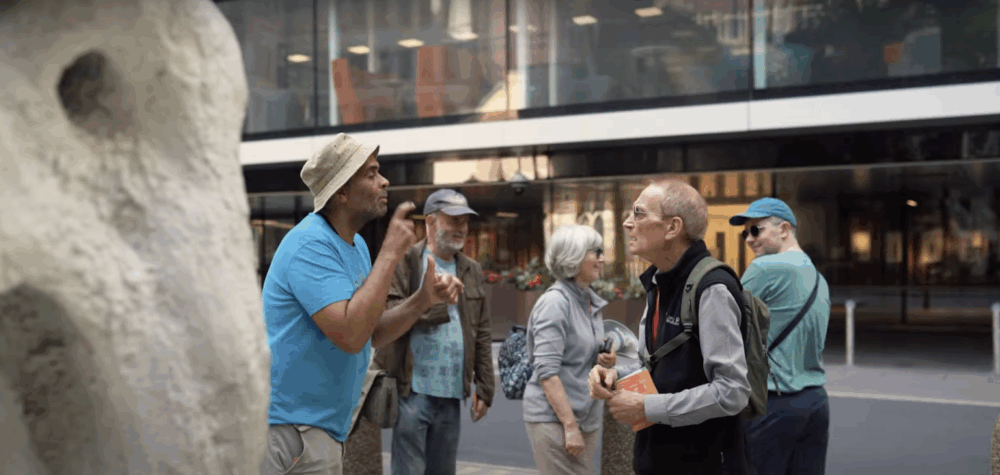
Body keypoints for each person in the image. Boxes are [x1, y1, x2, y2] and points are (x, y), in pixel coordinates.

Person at [259, 133, 464, 475]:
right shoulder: (310, 244)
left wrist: (422, 299)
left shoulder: (356, 248)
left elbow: (371, 332)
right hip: (287, 431)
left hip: (319, 430)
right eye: (371, 173)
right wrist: (391, 253)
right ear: (341, 192)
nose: (384, 181)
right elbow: (351, 335)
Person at [589, 179, 752, 475]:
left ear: (672, 227)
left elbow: (732, 391)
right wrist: (616, 375)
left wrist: (647, 408)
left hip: (702, 465)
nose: (627, 223)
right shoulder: (658, 281)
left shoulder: (712, 288)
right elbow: (656, 365)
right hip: (657, 459)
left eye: (639, 213)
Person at [374, 189, 495, 475]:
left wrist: (485, 388)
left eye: (465, 221)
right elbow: (387, 315)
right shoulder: (405, 262)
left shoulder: (471, 269)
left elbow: (482, 332)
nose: (461, 228)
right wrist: (435, 302)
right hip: (412, 392)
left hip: (452, 393)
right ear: (430, 222)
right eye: (453, 220)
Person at [730, 198, 831, 475]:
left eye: (756, 230)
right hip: (815, 401)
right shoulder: (819, 279)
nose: (749, 239)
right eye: (745, 233)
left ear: (784, 229)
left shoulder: (765, 267)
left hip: (772, 402)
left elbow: (723, 323)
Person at [523, 224, 617, 475]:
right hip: (556, 421)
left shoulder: (588, 300)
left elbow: (581, 353)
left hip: (586, 417)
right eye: (595, 252)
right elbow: (547, 372)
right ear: (573, 257)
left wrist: (605, 358)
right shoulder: (555, 303)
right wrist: (570, 426)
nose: (602, 259)